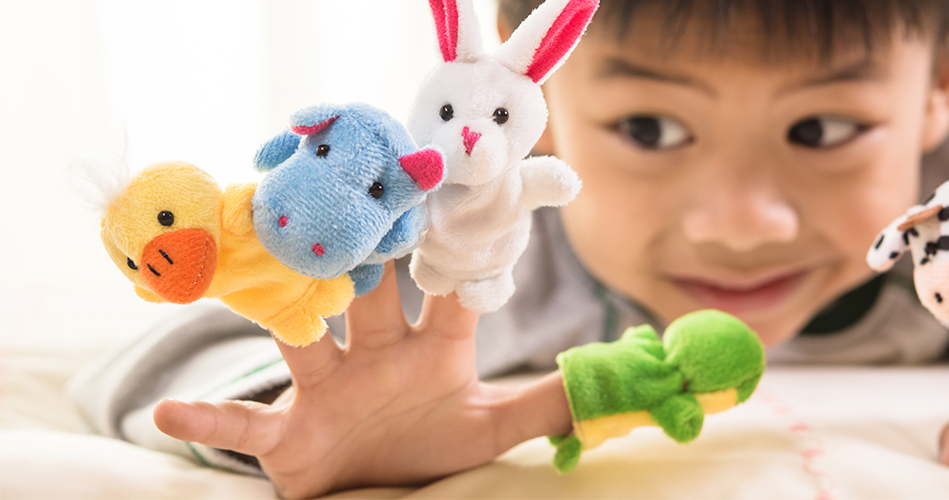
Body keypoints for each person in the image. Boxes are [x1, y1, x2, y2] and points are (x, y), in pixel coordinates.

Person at [68, 0, 949, 498]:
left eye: (824, 128)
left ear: (934, 99)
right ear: (544, 112)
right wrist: (298, 410)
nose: (739, 222)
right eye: (648, 127)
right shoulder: (472, 258)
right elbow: (153, 357)